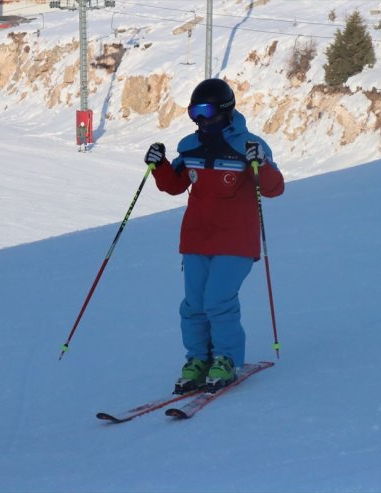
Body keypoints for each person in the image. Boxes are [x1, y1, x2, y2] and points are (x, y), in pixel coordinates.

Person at [144, 78, 284, 394]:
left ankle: (226, 360)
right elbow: (175, 184)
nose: (199, 119)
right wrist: (160, 165)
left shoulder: (248, 145)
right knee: (193, 305)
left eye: (205, 111)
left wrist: (259, 163)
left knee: (218, 300)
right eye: (194, 112)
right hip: (196, 238)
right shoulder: (190, 147)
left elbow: (274, 188)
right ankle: (198, 361)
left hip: (236, 241)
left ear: (223, 110)